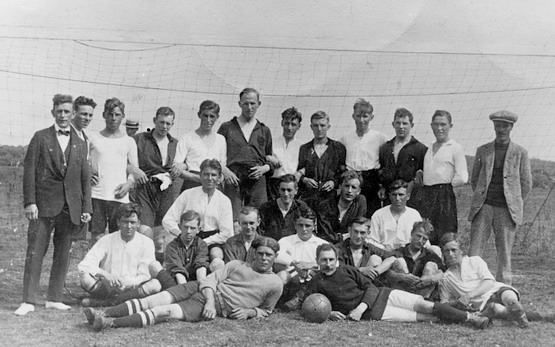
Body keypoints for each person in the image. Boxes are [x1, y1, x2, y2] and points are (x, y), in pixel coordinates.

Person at [83, 237, 283, 331]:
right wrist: (210, 302)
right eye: (260, 253)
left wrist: (250, 313)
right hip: (200, 289)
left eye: (269, 255)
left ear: (275, 257)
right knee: (154, 299)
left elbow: (267, 310)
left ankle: (109, 323)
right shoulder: (237, 265)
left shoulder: (275, 283)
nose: (264, 258)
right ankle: (104, 313)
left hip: (213, 305)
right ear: (254, 253)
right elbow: (209, 280)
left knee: (165, 311)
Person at [15, 94, 92, 316]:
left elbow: (84, 177)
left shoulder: (80, 142)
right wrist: (30, 202)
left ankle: (54, 298)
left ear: (72, 114)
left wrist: (86, 207)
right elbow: (29, 172)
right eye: (59, 111)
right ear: (53, 113)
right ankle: (28, 300)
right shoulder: (40, 137)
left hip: (70, 207)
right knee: (35, 251)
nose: (63, 115)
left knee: (63, 254)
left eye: (67, 111)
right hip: (43, 206)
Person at [304, 244, 488, 328]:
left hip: (384, 295)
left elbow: (371, 288)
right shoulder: (316, 282)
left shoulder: (347, 270)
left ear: (336, 259)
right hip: (376, 313)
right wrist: (328, 313)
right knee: (426, 318)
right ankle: (459, 311)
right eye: (323, 260)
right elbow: (306, 305)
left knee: (426, 305)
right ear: (317, 261)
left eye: (331, 259)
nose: (328, 263)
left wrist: (360, 308)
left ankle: (471, 318)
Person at [467, 111, 532, 285]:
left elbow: (526, 183)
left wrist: (513, 200)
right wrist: (483, 197)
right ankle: (471, 286)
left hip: (506, 210)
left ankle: (503, 290)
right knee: (475, 251)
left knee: (504, 253)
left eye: (505, 126)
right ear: (494, 127)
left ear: (511, 127)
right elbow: (475, 180)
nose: (501, 129)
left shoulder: (520, 153)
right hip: (484, 207)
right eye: (498, 125)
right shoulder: (483, 150)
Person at [440, 233, 530, 328]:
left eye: (454, 250)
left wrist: (469, 295)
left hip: (497, 290)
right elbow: (444, 304)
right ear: (443, 254)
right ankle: (516, 314)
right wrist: (458, 303)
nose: (450, 254)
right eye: (446, 251)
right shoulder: (446, 278)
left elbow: (489, 282)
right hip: (483, 304)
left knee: (508, 296)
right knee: (495, 308)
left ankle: (513, 306)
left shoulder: (474, 261)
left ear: (461, 250)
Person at [78, 203, 159, 307]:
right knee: (85, 279)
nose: (129, 226)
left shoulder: (146, 243)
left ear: (138, 223)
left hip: (133, 288)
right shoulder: (107, 240)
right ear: (118, 222)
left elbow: (145, 275)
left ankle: (106, 302)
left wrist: (129, 283)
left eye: (132, 222)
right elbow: (84, 265)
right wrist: (106, 275)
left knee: (155, 285)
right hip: (108, 287)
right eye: (125, 222)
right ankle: (118, 301)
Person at [162, 159, 232, 271]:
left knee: (217, 256)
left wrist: (205, 242)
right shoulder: (188, 194)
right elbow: (167, 220)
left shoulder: (224, 200)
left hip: (212, 240)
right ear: (200, 175)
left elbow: (227, 232)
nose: (209, 178)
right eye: (206, 174)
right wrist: (183, 234)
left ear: (219, 178)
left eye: (213, 175)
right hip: (188, 237)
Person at [218, 88, 274, 220]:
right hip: (234, 177)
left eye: (253, 103)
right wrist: (224, 170)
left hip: (257, 178)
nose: (249, 107)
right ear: (239, 104)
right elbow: (215, 153)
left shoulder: (264, 130)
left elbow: (269, 158)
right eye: (246, 103)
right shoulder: (227, 127)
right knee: (232, 217)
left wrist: (264, 168)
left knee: (257, 217)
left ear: (259, 104)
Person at [89, 97, 138, 246]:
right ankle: (94, 268)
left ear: (122, 117)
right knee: (97, 237)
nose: (113, 118)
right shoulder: (93, 138)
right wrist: (88, 173)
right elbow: (83, 162)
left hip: (119, 196)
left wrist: (128, 185)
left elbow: (134, 170)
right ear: (104, 115)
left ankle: (115, 269)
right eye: (110, 114)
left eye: (117, 115)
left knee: (118, 238)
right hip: (97, 194)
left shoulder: (129, 141)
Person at [417, 110, 468, 244]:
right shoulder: (428, 147)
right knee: (427, 233)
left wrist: (446, 185)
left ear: (450, 126)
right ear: (431, 125)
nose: (439, 128)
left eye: (443, 124)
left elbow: (463, 176)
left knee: (445, 235)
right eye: (436, 124)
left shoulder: (455, 148)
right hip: (427, 195)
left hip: (444, 195)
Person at [131, 107, 179, 228]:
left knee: (161, 235)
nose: (164, 126)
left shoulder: (176, 144)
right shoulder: (139, 139)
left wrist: (183, 165)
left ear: (172, 124)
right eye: (161, 122)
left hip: (166, 191)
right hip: (145, 188)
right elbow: (122, 159)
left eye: (168, 123)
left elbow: (186, 162)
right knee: (145, 230)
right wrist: (133, 169)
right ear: (154, 120)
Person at [339, 99, 388, 217]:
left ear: (371, 117)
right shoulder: (345, 139)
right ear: (353, 116)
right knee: (351, 214)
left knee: (370, 214)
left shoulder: (380, 138)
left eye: (365, 116)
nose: (361, 120)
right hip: (351, 179)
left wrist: (382, 185)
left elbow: (385, 162)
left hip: (371, 180)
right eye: (358, 116)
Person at [173, 100, 228, 192]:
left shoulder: (221, 139)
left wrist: (219, 178)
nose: (208, 120)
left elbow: (222, 166)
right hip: (192, 184)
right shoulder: (187, 138)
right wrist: (199, 178)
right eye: (205, 116)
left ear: (217, 117)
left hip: (213, 184)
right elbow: (177, 168)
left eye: (212, 116)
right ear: (199, 115)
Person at [378, 108, 427, 209]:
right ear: (393, 124)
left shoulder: (420, 149)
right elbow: (381, 170)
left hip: (412, 198)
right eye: (398, 123)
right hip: (391, 196)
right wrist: (382, 186)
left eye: (405, 123)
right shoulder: (386, 148)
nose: (401, 127)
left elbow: (424, 174)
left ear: (411, 125)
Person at [297, 111, 346, 209]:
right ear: (311, 127)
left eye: (322, 125)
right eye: (316, 125)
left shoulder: (338, 148)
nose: (319, 129)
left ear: (328, 126)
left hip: (330, 198)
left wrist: (333, 182)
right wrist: (305, 180)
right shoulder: (304, 149)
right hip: (309, 197)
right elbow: (298, 172)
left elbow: (343, 173)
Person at [149, 211, 209, 291]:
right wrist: (185, 292)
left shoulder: (202, 245)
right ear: (179, 227)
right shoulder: (171, 246)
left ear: (198, 229)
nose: (188, 231)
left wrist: (201, 289)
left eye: (192, 228)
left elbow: (201, 268)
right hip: (176, 284)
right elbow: (178, 272)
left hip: (195, 284)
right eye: (185, 227)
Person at [387, 220, 445, 299]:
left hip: (422, 293)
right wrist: (402, 277)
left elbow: (442, 273)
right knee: (399, 262)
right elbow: (387, 272)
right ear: (412, 233)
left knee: (431, 265)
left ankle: (421, 300)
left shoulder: (430, 255)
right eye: (418, 236)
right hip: (401, 292)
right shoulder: (399, 252)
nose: (420, 241)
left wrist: (430, 279)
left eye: (424, 239)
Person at [69, 96, 97, 240]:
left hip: (78, 197)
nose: (87, 118)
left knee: (72, 242)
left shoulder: (85, 138)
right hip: (64, 198)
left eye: (90, 115)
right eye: (83, 114)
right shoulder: (65, 133)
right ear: (74, 113)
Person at [317, 170, 367, 243]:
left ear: (359, 191)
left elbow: (358, 228)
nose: (349, 191)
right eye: (346, 186)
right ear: (340, 187)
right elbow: (324, 235)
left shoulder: (360, 201)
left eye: (353, 187)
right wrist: (343, 237)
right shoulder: (325, 206)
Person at [266, 107, 303, 200]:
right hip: (273, 185)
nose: (289, 128)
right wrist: (269, 158)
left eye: (293, 124)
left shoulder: (302, 146)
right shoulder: (271, 141)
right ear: (282, 123)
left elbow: (307, 165)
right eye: (287, 123)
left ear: (299, 126)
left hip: (291, 185)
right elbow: (262, 156)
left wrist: (299, 173)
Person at [259, 173, 309, 241]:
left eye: (289, 190)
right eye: (283, 190)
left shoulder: (301, 207)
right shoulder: (266, 208)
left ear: (296, 190)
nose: (286, 194)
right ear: (278, 190)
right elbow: (260, 233)